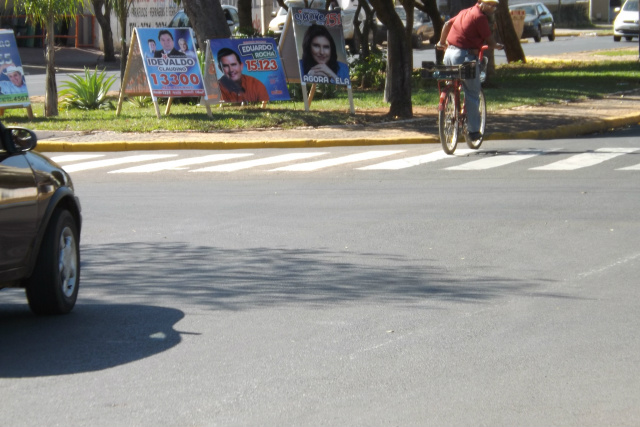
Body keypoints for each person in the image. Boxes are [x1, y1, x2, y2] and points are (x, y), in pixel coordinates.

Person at [437, 0, 503, 141]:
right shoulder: (480, 17)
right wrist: (497, 46)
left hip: (448, 55)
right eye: (490, 4)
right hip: (465, 57)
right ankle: (473, 131)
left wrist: (441, 43)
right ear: (481, 3)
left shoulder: (464, 12)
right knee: (472, 93)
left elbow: (447, 24)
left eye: (495, 5)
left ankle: (451, 107)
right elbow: (490, 41)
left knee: (452, 83)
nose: (493, 8)